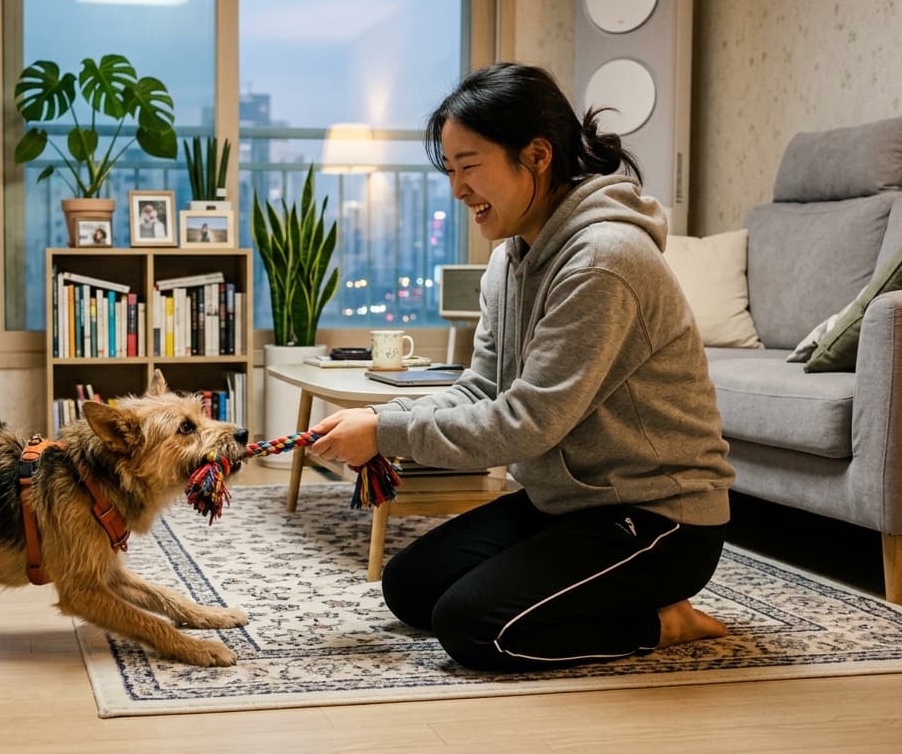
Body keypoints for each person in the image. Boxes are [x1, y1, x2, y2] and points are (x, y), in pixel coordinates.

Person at [308, 62, 734, 672]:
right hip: (565, 502)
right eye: (450, 169)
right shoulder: (510, 259)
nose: (457, 188)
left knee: (475, 629)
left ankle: (661, 620)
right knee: (410, 587)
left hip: (657, 516)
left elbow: (529, 422)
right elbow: (483, 386)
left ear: (536, 155)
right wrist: (384, 414)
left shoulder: (602, 263)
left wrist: (385, 434)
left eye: (469, 165)